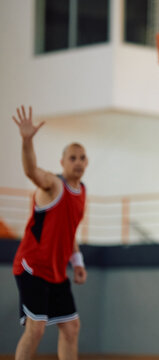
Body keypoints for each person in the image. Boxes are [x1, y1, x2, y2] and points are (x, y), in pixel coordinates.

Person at [11, 105, 89, 360]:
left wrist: (77, 261)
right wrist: (27, 142)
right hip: (33, 266)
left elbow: (69, 232)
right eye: (72, 157)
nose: (78, 162)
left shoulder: (82, 192)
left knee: (71, 327)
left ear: (87, 162)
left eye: (82, 157)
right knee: (36, 329)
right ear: (62, 162)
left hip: (56, 272)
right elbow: (31, 171)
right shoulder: (53, 185)